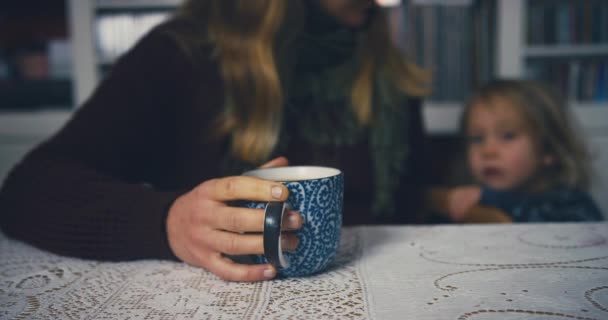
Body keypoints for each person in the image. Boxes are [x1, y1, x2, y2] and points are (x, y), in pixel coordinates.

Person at [0, 0, 431, 282]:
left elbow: (403, 197)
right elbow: (29, 189)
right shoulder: (182, 54)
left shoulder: (386, 65)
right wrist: (167, 223)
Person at [429, 79, 603, 223]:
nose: (488, 151)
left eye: (508, 136)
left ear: (547, 149)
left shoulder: (571, 201)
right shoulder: (471, 198)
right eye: (477, 139)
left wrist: (490, 198)